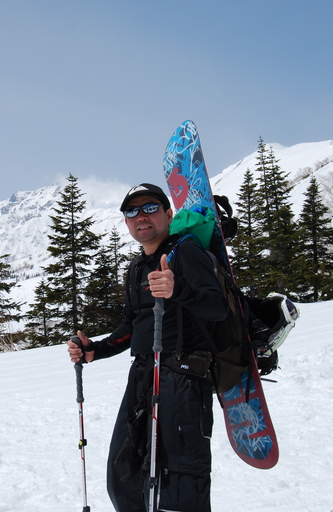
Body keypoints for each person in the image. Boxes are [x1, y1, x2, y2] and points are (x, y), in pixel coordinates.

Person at [68, 183, 228, 512]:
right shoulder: (137, 267)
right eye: (132, 212)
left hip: (183, 377)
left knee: (181, 480)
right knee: (124, 473)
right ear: (126, 222)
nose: (141, 216)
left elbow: (217, 308)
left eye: (150, 208)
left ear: (168, 214)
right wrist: (94, 350)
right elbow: (131, 327)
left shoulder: (187, 252)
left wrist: (178, 288)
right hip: (142, 376)